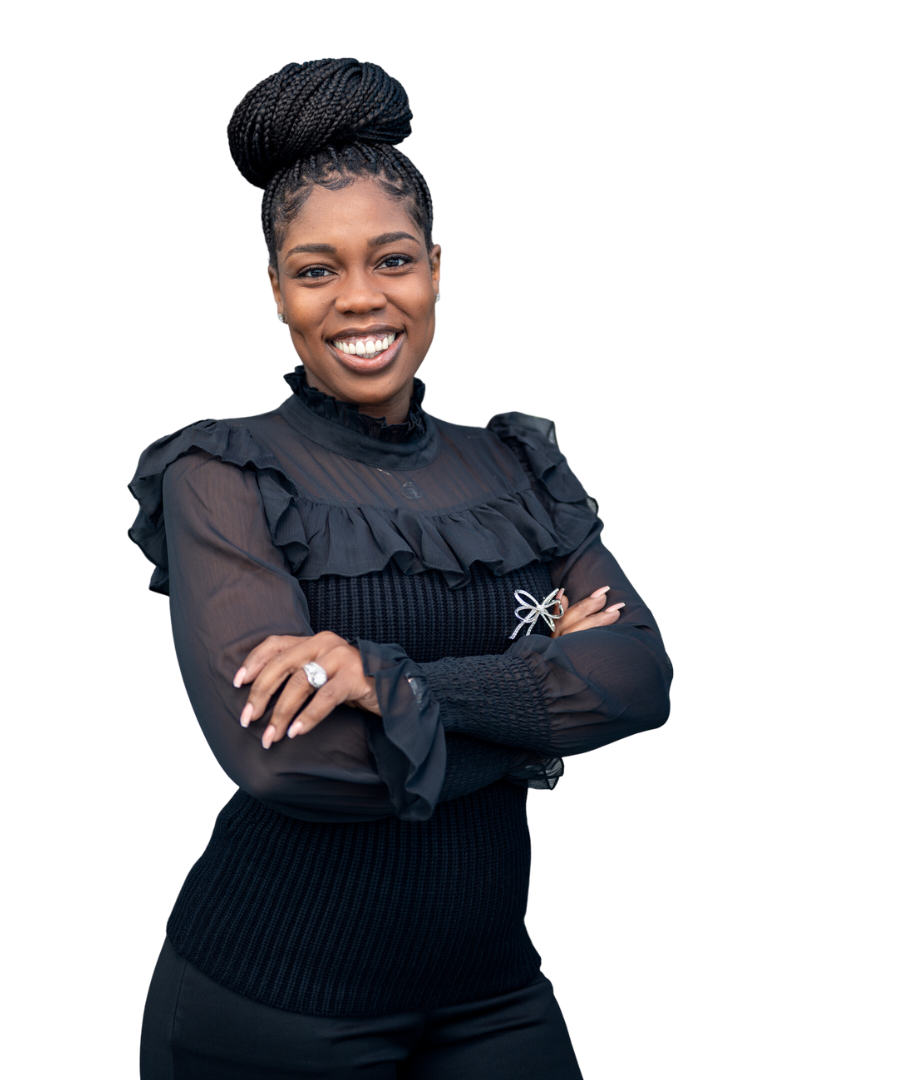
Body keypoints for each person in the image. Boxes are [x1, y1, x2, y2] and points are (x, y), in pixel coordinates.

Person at [131, 57, 673, 1080]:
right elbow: (288, 763)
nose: (359, 299)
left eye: (391, 260)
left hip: (496, 993)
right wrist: (533, 734)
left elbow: (641, 680)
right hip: (275, 1005)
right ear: (275, 293)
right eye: (316, 270)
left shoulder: (520, 463)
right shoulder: (224, 471)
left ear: (437, 272)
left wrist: (397, 687)